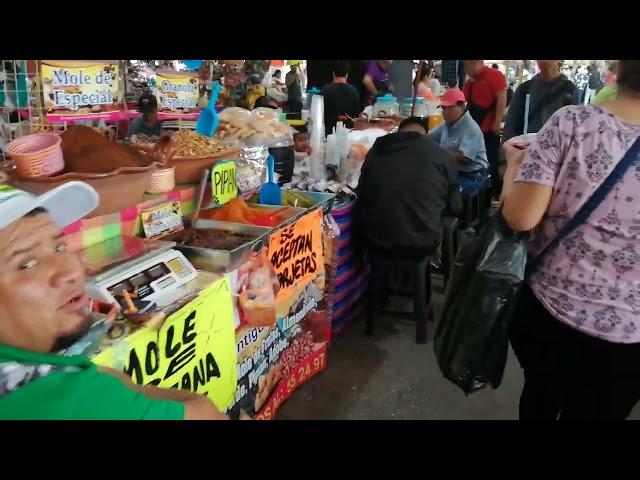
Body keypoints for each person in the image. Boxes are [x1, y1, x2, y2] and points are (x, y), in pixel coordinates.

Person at [0, 182, 229, 420]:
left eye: (59, 247)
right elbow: (210, 416)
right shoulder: (70, 400)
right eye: (26, 264)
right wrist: (114, 385)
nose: (72, 271)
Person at [500, 60, 640, 420]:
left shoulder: (571, 123)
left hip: (550, 313)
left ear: (619, 68)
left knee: (540, 397)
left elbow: (520, 216)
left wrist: (514, 165)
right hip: (629, 337)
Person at [355, 117, 462, 261]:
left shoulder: (378, 150)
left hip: (375, 238)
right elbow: (455, 207)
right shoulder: (444, 156)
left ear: (400, 133)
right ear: (425, 135)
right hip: (422, 241)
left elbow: (361, 192)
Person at [502, 60, 579, 143]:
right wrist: (506, 151)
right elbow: (511, 125)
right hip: (527, 149)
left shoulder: (570, 90)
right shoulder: (525, 89)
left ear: (560, 61)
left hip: (557, 150)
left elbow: (575, 128)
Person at [429, 88, 488, 194]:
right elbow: (428, 138)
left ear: (462, 107)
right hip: (455, 172)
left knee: (447, 194)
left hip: (473, 173)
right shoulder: (446, 125)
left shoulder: (470, 127)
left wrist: (438, 151)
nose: (445, 112)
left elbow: (466, 158)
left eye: (450, 108)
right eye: (443, 108)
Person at [462, 60, 507, 198]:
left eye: (466, 65)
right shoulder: (469, 84)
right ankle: (476, 197)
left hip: (488, 131)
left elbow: (501, 100)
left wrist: (497, 121)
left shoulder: (495, 75)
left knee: (489, 165)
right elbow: (463, 105)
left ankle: (490, 197)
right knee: (474, 165)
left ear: (474, 63)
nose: (465, 69)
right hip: (473, 133)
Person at [320, 60, 361, 134]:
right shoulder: (354, 91)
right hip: (348, 134)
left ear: (333, 74)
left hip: (328, 134)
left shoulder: (324, 91)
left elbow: (320, 117)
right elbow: (356, 117)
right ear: (347, 75)